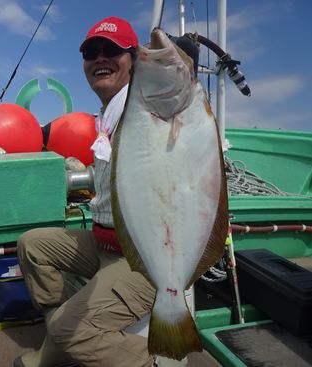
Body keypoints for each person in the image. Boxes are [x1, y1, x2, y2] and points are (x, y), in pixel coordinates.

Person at [14, 16, 198, 367]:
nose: (100, 58)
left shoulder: (143, 108)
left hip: (143, 261)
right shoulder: (108, 116)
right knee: (32, 246)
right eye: (91, 52)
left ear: (134, 59)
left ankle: (141, 359)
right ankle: (60, 331)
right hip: (103, 243)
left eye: (112, 50)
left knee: (71, 328)